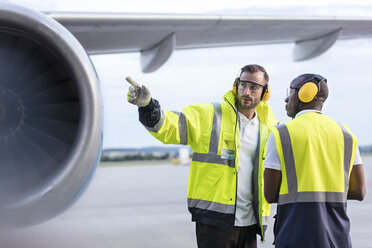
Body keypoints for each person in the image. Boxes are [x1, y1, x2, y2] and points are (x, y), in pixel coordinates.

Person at [126, 64, 278, 248]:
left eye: (254, 87)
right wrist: (148, 107)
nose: (246, 91)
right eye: (243, 85)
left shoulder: (270, 128)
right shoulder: (211, 115)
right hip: (215, 220)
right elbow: (172, 127)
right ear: (235, 85)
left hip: (251, 222)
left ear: (265, 93)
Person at [264, 73, 366, 248]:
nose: (287, 99)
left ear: (306, 93)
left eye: (291, 92)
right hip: (337, 239)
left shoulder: (282, 133)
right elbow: (359, 191)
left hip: (294, 236)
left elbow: (270, 194)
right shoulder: (346, 134)